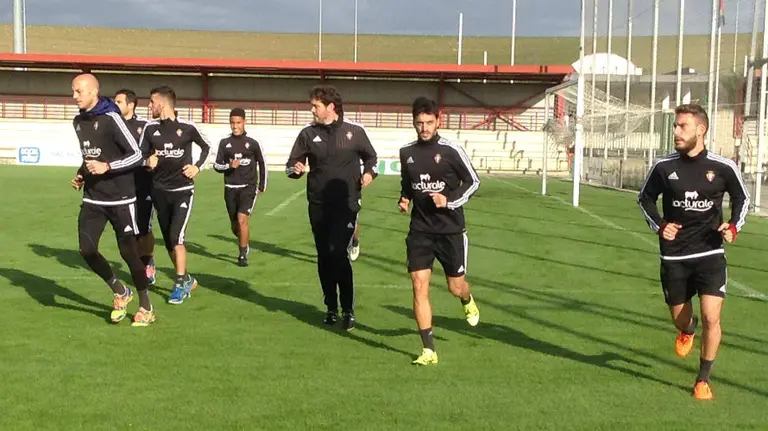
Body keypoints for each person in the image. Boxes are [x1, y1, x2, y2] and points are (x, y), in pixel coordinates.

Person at [637, 103, 750, 400]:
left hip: (710, 253)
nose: (675, 131)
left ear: (700, 130)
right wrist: (661, 226)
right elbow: (645, 199)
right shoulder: (663, 167)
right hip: (674, 256)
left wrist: (733, 226)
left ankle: (703, 379)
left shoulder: (723, 167)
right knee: (682, 319)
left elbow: (742, 198)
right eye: (675, 126)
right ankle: (687, 329)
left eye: (681, 126)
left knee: (713, 317)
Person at [285, 84, 378, 331]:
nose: (312, 110)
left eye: (316, 105)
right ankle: (331, 307)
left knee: (338, 253)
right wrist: (294, 169)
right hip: (318, 204)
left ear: (331, 107)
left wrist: (369, 173)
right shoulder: (307, 134)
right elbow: (290, 164)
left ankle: (348, 309)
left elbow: (372, 158)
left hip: (346, 204)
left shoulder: (354, 132)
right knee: (325, 256)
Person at [398, 96, 481, 365]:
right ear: (413, 122)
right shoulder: (406, 152)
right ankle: (428, 350)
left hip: (450, 231)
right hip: (420, 230)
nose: (424, 127)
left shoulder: (450, 150)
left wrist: (449, 200)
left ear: (438, 121)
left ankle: (467, 299)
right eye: (419, 123)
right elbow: (407, 183)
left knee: (455, 286)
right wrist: (405, 198)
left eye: (429, 122)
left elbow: (473, 182)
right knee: (418, 286)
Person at [69, 73, 155, 327]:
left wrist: (107, 166)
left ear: (94, 92)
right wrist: (81, 173)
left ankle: (145, 306)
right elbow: (90, 154)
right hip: (94, 199)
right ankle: (120, 291)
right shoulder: (78, 122)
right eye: (73, 92)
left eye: (79, 92)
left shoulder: (111, 119)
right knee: (87, 250)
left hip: (121, 198)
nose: (74, 97)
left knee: (129, 253)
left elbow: (137, 155)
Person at [139, 85, 211, 305]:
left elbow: (207, 148)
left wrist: (198, 167)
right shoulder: (150, 129)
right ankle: (187, 278)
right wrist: (146, 161)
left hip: (182, 192)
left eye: (151, 102)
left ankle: (179, 285)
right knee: (171, 243)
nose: (149, 106)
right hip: (159, 193)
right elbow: (138, 156)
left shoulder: (188, 127)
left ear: (161, 103)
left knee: (177, 239)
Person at [213, 108, 268, 266]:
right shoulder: (225, 143)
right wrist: (229, 166)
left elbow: (262, 163)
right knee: (234, 224)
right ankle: (244, 241)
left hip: (248, 187)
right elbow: (217, 165)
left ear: (244, 122)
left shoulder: (252, 143)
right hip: (230, 188)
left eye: (238, 123)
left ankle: (242, 254)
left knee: (242, 219)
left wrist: (262, 184)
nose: (235, 126)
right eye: (232, 123)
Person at [114, 88, 155, 285]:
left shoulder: (144, 126)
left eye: (119, 102)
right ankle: (137, 264)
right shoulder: (111, 124)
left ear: (131, 105)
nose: (116, 105)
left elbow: (155, 150)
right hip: (121, 186)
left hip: (143, 184)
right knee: (128, 231)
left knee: (143, 229)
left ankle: (147, 261)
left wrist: (151, 160)